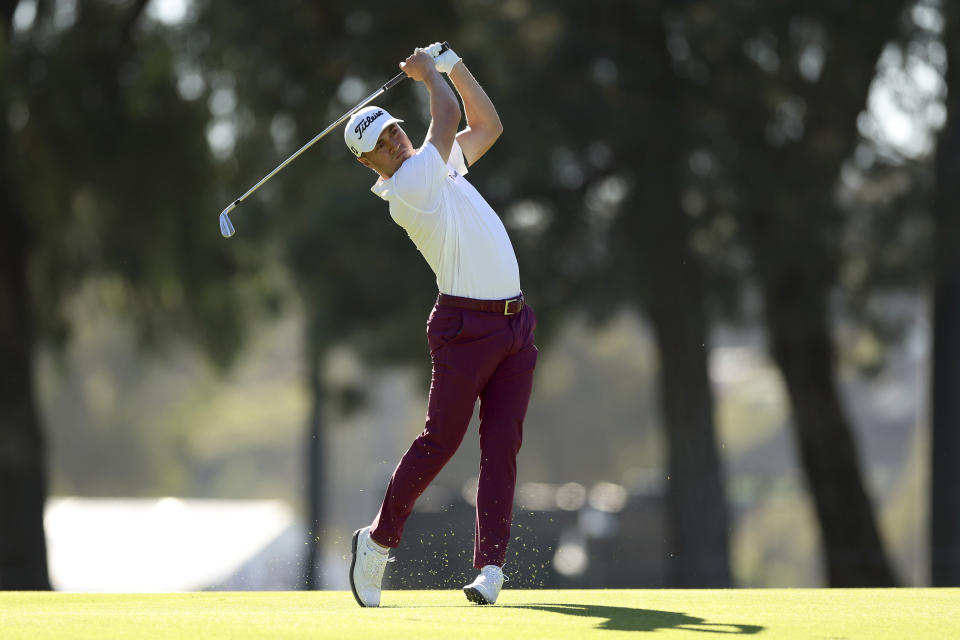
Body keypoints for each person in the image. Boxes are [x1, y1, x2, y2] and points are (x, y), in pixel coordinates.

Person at [344, 43, 537, 607]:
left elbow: (488, 124)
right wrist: (428, 73)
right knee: (441, 442)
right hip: (464, 328)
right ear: (369, 165)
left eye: (394, 130)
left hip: (514, 326)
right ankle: (377, 543)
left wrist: (452, 65)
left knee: (501, 446)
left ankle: (491, 568)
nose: (393, 141)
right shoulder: (408, 188)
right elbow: (449, 116)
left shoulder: (437, 162)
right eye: (380, 144)